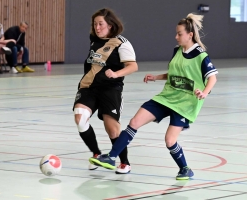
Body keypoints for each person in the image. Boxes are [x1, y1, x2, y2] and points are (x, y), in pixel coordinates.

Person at [89, 13, 218, 180]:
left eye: (179, 33)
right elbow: (174, 74)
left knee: (170, 141)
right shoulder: (177, 51)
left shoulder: (201, 55)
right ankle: (112, 157)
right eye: (176, 33)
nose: (176, 36)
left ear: (190, 35)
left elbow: (212, 77)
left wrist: (204, 92)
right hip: (166, 97)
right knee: (134, 122)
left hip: (185, 103)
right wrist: (156, 77)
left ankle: (185, 168)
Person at [73, 8, 138, 174]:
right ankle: (96, 153)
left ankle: (124, 162)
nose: (97, 27)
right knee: (80, 118)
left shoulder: (121, 43)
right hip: (89, 87)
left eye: (100, 24)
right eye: (95, 24)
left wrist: (116, 73)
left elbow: (133, 66)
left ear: (110, 25)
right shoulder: (94, 40)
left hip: (110, 89)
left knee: (113, 129)